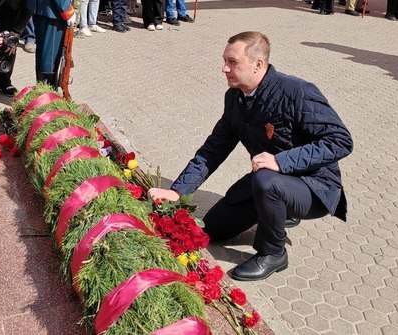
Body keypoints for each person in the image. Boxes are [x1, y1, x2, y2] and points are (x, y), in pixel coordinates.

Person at [148, 31, 353, 281]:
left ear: (258, 64)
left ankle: (273, 253)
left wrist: (281, 161)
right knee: (214, 228)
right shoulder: (235, 97)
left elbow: (340, 141)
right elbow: (215, 148)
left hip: (314, 187)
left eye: (233, 62)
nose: (225, 69)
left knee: (267, 180)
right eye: (224, 61)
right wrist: (178, 191)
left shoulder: (297, 92)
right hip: (272, 179)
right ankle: (279, 211)